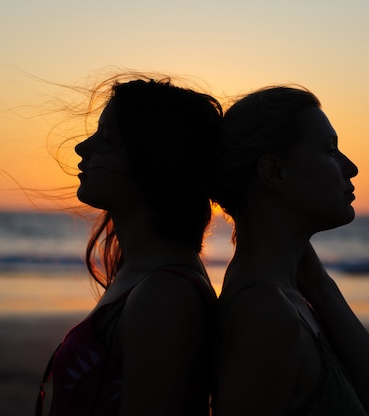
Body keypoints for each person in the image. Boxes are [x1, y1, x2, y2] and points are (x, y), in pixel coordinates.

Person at [210, 86, 369, 415]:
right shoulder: (264, 312)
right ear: (274, 172)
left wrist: (320, 285)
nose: (351, 167)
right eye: (330, 150)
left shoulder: (290, 295)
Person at [36, 75, 222, 416]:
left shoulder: (165, 294)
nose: (82, 148)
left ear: (156, 160)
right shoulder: (141, 274)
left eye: (107, 137)